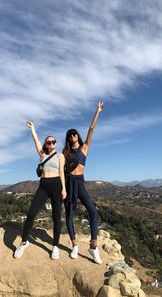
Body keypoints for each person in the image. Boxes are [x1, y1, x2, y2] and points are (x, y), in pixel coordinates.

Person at [14, 121, 67, 260]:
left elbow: (62, 172)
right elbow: (36, 141)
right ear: (46, 144)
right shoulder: (43, 154)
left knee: (56, 217)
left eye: (53, 142)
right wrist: (33, 129)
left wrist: (64, 189)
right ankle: (24, 242)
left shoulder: (60, 156)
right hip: (43, 185)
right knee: (31, 214)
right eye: (48, 142)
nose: (51, 144)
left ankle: (55, 246)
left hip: (56, 185)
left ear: (56, 143)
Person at [62, 101, 104, 264]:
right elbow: (60, 169)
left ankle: (93, 247)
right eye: (69, 135)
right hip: (68, 183)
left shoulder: (84, 147)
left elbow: (91, 129)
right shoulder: (65, 152)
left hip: (79, 183)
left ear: (77, 135)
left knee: (93, 212)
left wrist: (97, 112)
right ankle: (74, 246)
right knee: (68, 218)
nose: (72, 136)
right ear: (68, 138)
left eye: (74, 133)